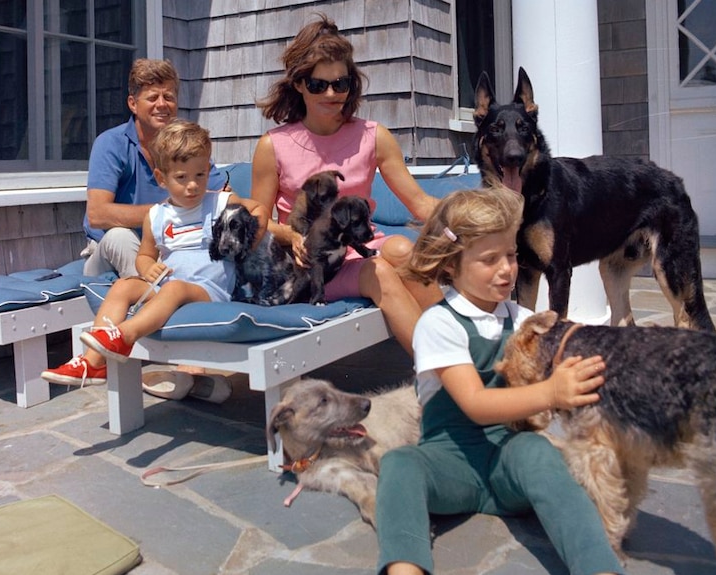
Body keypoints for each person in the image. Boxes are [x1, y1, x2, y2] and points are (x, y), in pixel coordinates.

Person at [375, 186, 623, 575]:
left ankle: (598, 567)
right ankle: (404, 567)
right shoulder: (438, 324)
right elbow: (475, 404)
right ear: (451, 266)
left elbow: (566, 347)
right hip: (449, 464)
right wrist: (551, 391)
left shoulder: (520, 318)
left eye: (510, 254)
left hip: (508, 462)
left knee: (539, 453)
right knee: (400, 464)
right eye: (490, 259)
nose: (507, 269)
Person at [250, 14, 441, 354]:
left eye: (341, 84)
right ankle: (445, 376)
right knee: (379, 270)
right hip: (312, 266)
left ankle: (465, 352)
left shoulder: (374, 136)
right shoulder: (273, 146)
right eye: (318, 84)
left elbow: (421, 204)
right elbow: (259, 221)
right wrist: (292, 236)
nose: (331, 93)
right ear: (298, 84)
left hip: (361, 250)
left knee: (401, 249)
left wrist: (477, 220)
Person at [44, 120, 268, 399]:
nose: (192, 185)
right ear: (162, 178)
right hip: (169, 284)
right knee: (124, 286)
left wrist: (244, 244)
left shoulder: (219, 203)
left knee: (174, 289)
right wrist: (147, 268)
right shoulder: (156, 216)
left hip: (208, 289)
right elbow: (146, 254)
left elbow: (258, 208)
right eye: (182, 177)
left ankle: (123, 337)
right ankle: (93, 363)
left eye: (200, 175)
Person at [80, 58, 228, 395]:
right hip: (108, 250)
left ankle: (186, 369)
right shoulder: (111, 144)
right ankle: (185, 361)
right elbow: (99, 215)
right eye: (152, 97)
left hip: (167, 249)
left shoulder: (184, 146)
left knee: (201, 258)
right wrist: (168, 212)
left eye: (169, 97)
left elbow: (217, 194)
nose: (163, 105)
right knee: (122, 238)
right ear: (133, 103)